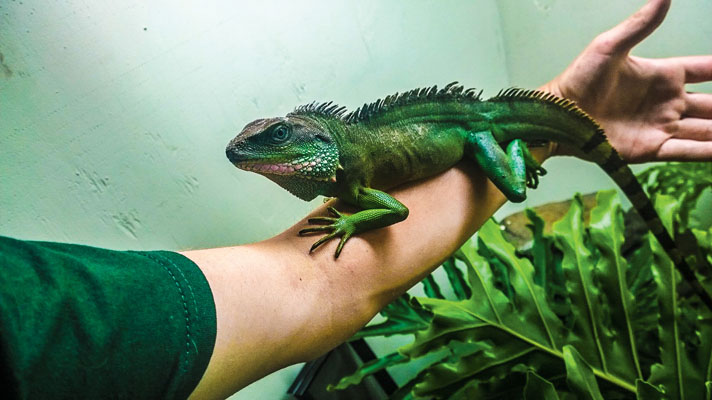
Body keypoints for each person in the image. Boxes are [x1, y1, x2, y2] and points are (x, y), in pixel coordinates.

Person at [0, 0, 709, 399]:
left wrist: (547, 134)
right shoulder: (345, 170)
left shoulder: (354, 175)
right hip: (474, 129)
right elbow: (331, 280)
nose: (260, 154)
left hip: (486, 130)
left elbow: (393, 213)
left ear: (310, 140)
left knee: (511, 176)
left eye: (276, 140)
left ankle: (527, 161)